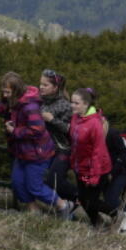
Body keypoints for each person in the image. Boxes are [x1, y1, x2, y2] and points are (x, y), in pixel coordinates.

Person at [0, 73, 74, 218]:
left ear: (16, 90)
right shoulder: (15, 103)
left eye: (7, 92)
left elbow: (37, 130)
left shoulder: (30, 107)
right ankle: (34, 212)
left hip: (37, 153)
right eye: (3, 91)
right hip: (22, 151)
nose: (5, 95)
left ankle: (63, 205)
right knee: (18, 183)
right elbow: (3, 107)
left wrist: (15, 131)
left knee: (35, 187)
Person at [68, 88, 113, 226]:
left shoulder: (95, 123)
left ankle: (117, 213)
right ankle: (97, 223)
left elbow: (97, 151)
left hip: (95, 169)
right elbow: (75, 142)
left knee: (91, 201)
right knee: (82, 198)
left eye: (76, 103)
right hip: (80, 166)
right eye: (72, 102)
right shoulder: (76, 117)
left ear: (86, 104)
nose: (72, 106)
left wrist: (94, 175)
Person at [39, 69, 77, 202]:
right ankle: (66, 206)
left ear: (55, 88)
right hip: (46, 148)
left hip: (63, 149)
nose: (41, 87)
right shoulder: (41, 101)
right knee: (42, 179)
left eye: (45, 85)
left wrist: (52, 120)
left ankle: (80, 198)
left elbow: (70, 130)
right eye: (41, 84)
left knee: (53, 181)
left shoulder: (65, 105)